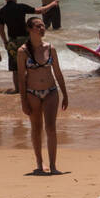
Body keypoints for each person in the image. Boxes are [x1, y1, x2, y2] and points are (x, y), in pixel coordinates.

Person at [14, 15, 68, 175]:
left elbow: (58, 73)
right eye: (38, 26)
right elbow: (21, 79)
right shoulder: (22, 51)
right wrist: (23, 101)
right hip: (32, 94)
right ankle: (39, 163)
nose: (42, 28)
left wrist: (65, 94)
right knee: (36, 128)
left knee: (51, 128)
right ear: (30, 29)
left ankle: (53, 165)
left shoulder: (50, 48)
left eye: (43, 25)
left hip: (51, 91)